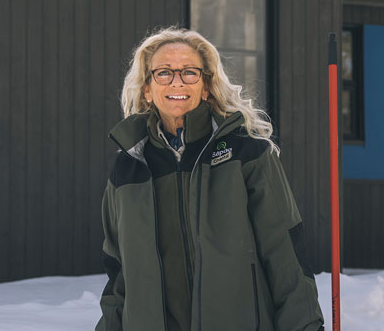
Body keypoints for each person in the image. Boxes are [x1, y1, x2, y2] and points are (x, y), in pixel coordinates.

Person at [95, 27, 324, 331]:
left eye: (189, 72)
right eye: (163, 72)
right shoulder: (128, 167)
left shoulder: (247, 153)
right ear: (147, 89)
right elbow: (118, 274)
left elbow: (284, 255)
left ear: (206, 87)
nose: (177, 81)